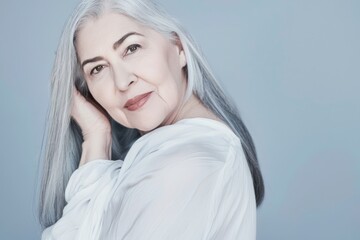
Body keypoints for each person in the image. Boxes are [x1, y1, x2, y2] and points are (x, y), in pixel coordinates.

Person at [39, 0, 265, 239]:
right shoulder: (178, 152)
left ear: (178, 48)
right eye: (98, 69)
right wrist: (95, 135)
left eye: (132, 48)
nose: (122, 81)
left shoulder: (185, 163)